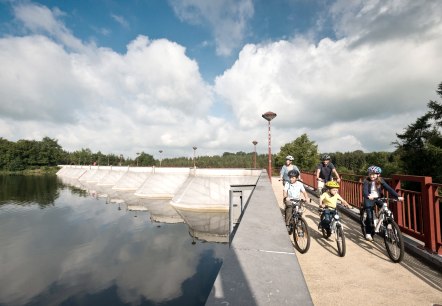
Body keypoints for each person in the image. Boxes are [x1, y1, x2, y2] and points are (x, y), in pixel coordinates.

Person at [362, 165, 404, 241]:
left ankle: (389, 227)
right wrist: (368, 196)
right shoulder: (366, 181)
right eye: (370, 174)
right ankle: (368, 233)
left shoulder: (380, 180)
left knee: (388, 211)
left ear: (378, 174)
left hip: (378, 198)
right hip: (369, 198)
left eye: (374, 174)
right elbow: (364, 191)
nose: (372, 176)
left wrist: (397, 196)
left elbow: (389, 188)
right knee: (369, 216)